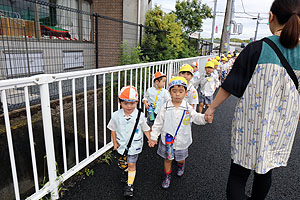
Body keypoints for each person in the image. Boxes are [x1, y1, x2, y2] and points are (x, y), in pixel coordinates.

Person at [205, 0, 300, 199]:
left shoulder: (257, 48)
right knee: (265, 169)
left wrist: (211, 108)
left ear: (271, 16)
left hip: (250, 123)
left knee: (239, 174)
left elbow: (231, 84)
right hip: (281, 125)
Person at [148, 76, 212, 189]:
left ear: (186, 92)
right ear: (169, 92)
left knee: (181, 159)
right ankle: (167, 176)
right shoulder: (165, 107)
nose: (177, 94)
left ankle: (181, 165)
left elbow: (196, 117)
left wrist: (204, 119)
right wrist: (153, 137)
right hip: (167, 141)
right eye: (174, 91)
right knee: (168, 159)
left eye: (181, 91)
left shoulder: (187, 107)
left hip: (182, 141)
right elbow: (158, 123)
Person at [107, 85, 151, 197]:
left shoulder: (139, 115)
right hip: (122, 145)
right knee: (125, 161)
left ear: (136, 102)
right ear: (119, 102)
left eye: (132, 103)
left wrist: (150, 139)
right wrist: (114, 142)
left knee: (132, 163)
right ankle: (127, 172)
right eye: (125, 103)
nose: (129, 106)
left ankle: (129, 185)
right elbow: (113, 129)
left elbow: (145, 128)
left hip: (135, 144)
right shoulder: (116, 115)